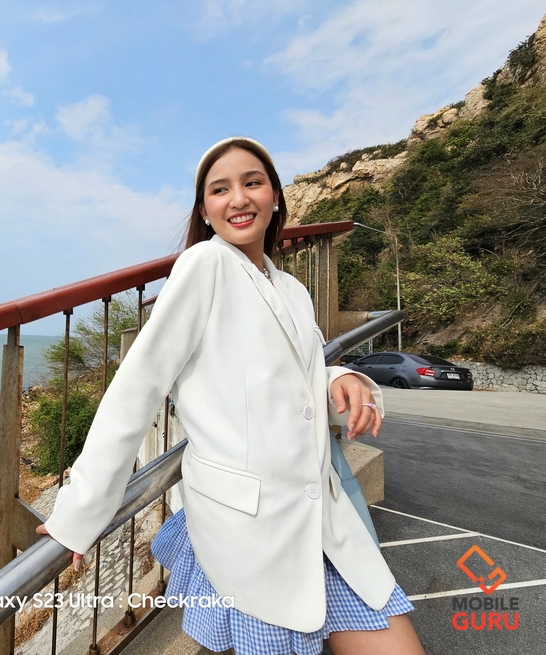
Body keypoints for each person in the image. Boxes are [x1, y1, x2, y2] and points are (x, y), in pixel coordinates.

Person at [36, 137, 424, 655]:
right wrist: (78, 515)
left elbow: (296, 371)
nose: (238, 199)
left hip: (323, 520)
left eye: (252, 183)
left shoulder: (292, 289)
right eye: (220, 190)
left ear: (275, 197)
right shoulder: (205, 265)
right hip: (251, 532)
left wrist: (336, 378)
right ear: (204, 209)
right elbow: (136, 389)